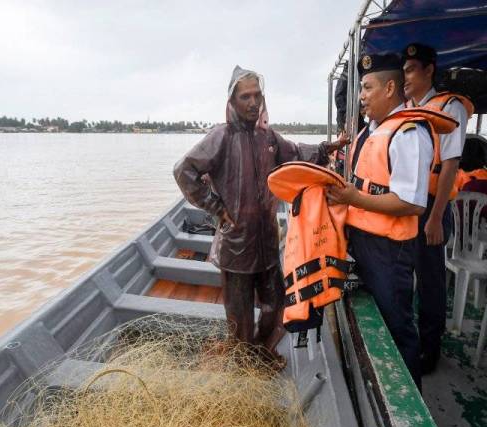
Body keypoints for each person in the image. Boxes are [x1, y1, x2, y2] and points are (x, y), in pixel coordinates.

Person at [173, 65, 345, 358]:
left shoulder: (268, 137)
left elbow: (296, 152)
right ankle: (243, 360)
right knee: (239, 312)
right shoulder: (221, 136)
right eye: (245, 97)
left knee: (275, 303)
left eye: (257, 95)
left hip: (267, 238)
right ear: (233, 102)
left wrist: (329, 146)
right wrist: (216, 207)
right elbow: (184, 171)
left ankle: (262, 354)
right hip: (236, 243)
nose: (253, 102)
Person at [326, 53, 458, 388]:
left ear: (389, 88)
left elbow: (412, 203)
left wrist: (353, 199)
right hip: (365, 243)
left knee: (398, 327)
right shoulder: (372, 132)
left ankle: (408, 405)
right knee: (379, 321)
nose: (362, 96)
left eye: (367, 87)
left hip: (390, 251)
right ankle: (377, 381)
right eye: (360, 89)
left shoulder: (408, 133)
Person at [402, 43, 475, 374]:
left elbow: (449, 166)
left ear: (429, 70)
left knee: (430, 279)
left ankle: (430, 348)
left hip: (432, 205)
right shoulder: (406, 109)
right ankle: (408, 339)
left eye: (410, 69)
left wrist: (435, 218)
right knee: (404, 272)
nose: (404, 76)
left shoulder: (450, 108)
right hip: (405, 202)